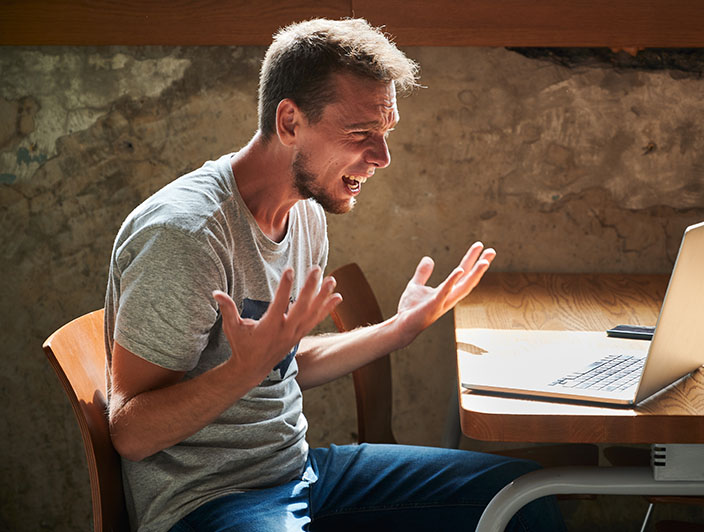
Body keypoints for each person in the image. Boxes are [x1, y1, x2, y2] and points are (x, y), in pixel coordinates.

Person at [104, 18, 565, 532]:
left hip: (300, 475)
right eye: (360, 133)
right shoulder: (186, 236)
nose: (382, 157)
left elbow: (281, 361)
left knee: (524, 497)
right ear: (289, 122)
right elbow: (131, 432)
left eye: (386, 132)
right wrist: (242, 370)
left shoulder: (305, 213)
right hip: (209, 501)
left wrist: (398, 328)